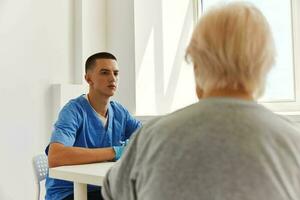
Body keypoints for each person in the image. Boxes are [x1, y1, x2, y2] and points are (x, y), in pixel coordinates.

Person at [101, 2, 300, 200]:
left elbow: (112, 191)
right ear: (264, 68)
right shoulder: (292, 143)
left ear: (196, 65)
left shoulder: (152, 137)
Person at [45, 52, 142, 200]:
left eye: (116, 73)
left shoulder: (119, 112)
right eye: (104, 72)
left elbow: (146, 135)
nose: (112, 78)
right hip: (68, 193)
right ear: (88, 78)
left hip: (103, 188)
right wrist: (116, 152)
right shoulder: (73, 111)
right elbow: (56, 156)